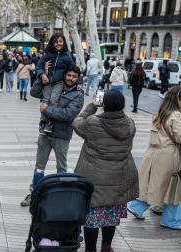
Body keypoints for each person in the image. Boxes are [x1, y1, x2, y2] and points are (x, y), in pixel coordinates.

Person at [72, 90, 139, 252]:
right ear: (122, 105)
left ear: (104, 104)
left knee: (92, 217)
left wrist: (92, 107)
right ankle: (107, 246)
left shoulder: (93, 123)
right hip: (118, 179)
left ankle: (90, 249)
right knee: (111, 216)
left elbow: (76, 122)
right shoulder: (129, 124)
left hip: (94, 180)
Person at [20, 65, 84, 207]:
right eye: (69, 75)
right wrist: (42, 75)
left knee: (61, 167)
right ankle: (35, 195)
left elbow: (68, 114)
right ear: (64, 76)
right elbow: (34, 92)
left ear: (77, 78)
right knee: (39, 167)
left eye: (74, 76)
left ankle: (60, 197)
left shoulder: (78, 95)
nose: (71, 78)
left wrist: (47, 109)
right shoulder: (55, 87)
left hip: (61, 135)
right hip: (45, 133)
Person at [127, 86, 181, 230]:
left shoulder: (160, 112)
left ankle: (137, 206)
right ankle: (171, 220)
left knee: (154, 184)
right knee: (173, 188)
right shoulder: (176, 115)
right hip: (168, 155)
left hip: (154, 153)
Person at [34, 33, 76, 134]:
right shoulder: (48, 55)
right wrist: (42, 75)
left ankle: (50, 122)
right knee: (45, 100)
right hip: (47, 82)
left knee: (53, 100)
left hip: (59, 82)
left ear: (64, 42)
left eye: (60, 41)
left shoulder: (66, 56)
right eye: (56, 41)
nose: (58, 43)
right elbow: (39, 66)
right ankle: (42, 122)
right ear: (52, 43)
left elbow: (74, 69)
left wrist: (79, 81)